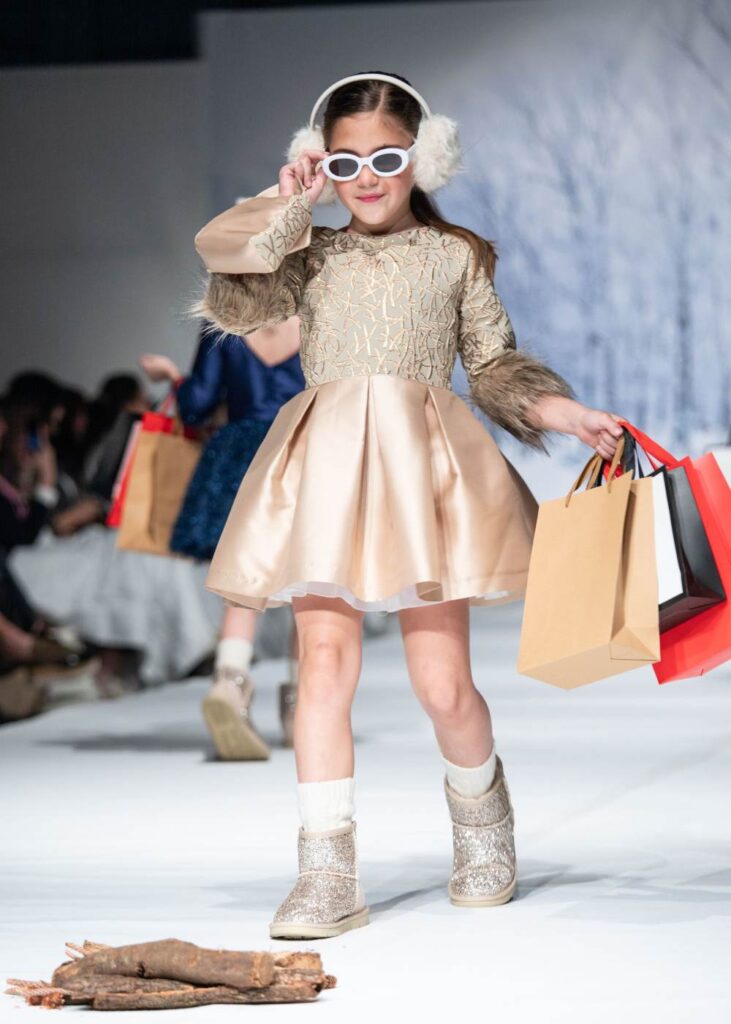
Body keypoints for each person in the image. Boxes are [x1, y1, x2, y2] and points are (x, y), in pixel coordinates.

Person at [193, 72, 624, 939]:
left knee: (442, 684)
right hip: (324, 464)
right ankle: (324, 870)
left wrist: (566, 412)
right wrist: (287, 204)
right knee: (322, 661)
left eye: (386, 157)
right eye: (344, 161)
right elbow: (232, 291)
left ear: (422, 157)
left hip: (419, 467)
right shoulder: (308, 253)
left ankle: (483, 829)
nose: (367, 176)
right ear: (320, 164)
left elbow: (493, 364)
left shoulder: (454, 255)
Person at [140, 318, 306, 758]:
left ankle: (230, 684)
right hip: (303, 452)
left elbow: (196, 405)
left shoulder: (225, 324)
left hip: (240, 458)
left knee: (243, 581)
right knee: (311, 585)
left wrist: (173, 377)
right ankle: (303, 709)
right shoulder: (317, 315)